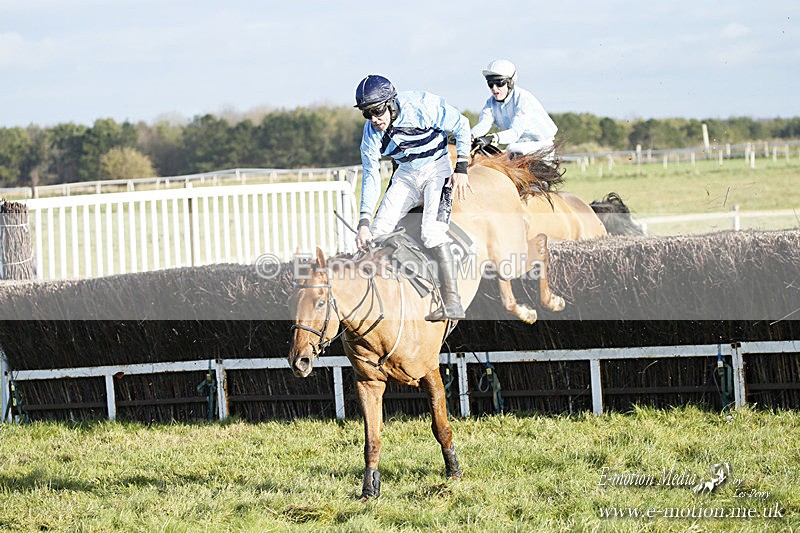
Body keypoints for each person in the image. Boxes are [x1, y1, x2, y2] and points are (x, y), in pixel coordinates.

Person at [354, 74, 472, 321]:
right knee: (376, 234)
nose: (374, 119)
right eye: (367, 114)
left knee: (432, 233)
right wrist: (363, 222)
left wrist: (461, 166)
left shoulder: (421, 105)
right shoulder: (371, 132)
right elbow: (371, 175)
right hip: (406, 174)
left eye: (377, 111)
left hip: (437, 169)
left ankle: (453, 301)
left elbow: (462, 125)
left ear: (391, 102)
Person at [471, 59, 558, 156]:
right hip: (519, 145)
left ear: (511, 82)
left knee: (511, 148)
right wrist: (469, 136)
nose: (494, 88)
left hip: (542, 146)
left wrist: (492, 138)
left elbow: (515, 132)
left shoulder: (524, 99)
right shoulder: (490, 102)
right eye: (490, 84)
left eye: (499, 83)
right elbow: (483, 125)